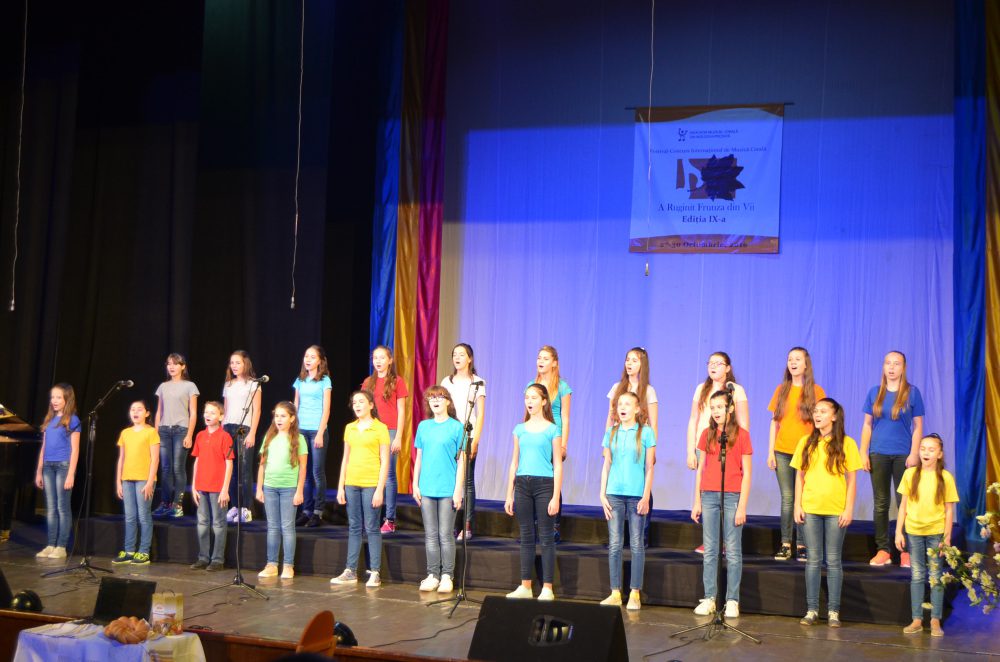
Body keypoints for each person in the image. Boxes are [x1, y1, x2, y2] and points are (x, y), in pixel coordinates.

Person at [793, 398, 861, 628]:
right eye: (816, 411)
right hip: (811, 508)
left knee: (833, 561)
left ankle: (833, 611)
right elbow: (799, 476)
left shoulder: (847, 443)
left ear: (834, 416)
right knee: (813, 560)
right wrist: (797, 505)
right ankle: (812, 609)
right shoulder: (806, 442)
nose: (817, 415)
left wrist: (849, 508)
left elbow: (852, 480)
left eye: (823, 411)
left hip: (835, 510)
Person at [691, 391, 752, 619]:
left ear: (730, 409)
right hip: (709, 495)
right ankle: (710, 597)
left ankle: (732, 600)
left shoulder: (742, 435)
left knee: (733, 550)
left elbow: (747, 473)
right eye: (713, 407)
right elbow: (701, 470)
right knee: (710, 549)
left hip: (732, 495)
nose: (716, 411)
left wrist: (742, 506)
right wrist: (697, 500)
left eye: (720, 407)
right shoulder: (707, 434)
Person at [862, 351, 925, 567]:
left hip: (903, 455)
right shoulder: (874, 392)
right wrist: (863, 452)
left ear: (903, 368)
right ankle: (883, 550)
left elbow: (918, 427)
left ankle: (905, 551)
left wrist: (914, 453)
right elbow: (867, 425)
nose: (891, 367)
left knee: (903, 502)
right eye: (888, 363)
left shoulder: (912, 393)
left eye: (896, 363)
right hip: (878, 453)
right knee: (881, 502)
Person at [895, 434, 958, 637]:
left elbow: (949, 510)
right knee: (917, 575)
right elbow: (903, 506)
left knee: (935, 576)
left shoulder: (945, 477)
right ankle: (916, 619)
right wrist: (898, 531)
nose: (926, 452)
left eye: (931, 449)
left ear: (939, 454)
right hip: (914, 531)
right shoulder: (910, 474)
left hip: (935, 532)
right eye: (923, 448)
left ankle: (935, 620)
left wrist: (946, 537)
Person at [504, 383, 563, 600]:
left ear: (544, 401)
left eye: (534, 397)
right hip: (522, 484)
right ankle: (525, 586)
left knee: (546, 537)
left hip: (544, 485)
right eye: (527, 397)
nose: (529, 401)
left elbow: (558, 465)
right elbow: (514, 462)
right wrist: (509, 494)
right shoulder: (519, 429)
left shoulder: (552, 429)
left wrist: (555, 496)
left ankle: (547, 587)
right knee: (526, 536)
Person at [686, 351, 749, 553]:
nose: (713, 366)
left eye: (718, 363)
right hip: (706, 444)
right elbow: (693, 420)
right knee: (708, 491)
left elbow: (743, 423)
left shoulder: (736, 390)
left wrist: (738, 447)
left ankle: (726, 542)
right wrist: (690, 450)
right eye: (710, 363)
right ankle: (711, 541)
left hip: (728, 446)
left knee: (727, 495)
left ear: (728, 368)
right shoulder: (701, 389)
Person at [599, 391, 655, 610]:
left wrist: (646, 495)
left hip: (636, 495)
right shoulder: (611, 432)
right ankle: (615, 592)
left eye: (627, 404)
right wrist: (602, 493)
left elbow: (649, 467)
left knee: (636, 543)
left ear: (637, 409)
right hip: (614, 493)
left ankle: (634, 592)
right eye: (620, 404)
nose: (622, 407)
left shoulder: (646, 432)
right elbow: (606, 465)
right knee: (614, 543)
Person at [767, 347, 825, 561]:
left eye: (797, 359)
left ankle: (802, 544)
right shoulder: (781, 390)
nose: (793, 362)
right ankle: (785, 543)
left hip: (807, 453)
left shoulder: (816, 391)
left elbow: (822, 422)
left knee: (804, 498)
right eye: (790, 359)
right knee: (788, 498)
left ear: (806, 364)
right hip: (782, 451)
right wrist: (770, 452)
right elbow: (774, 422)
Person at [330, 391, 391, 587]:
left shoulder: (380, 428)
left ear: (371, 405)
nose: (357, 405)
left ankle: (375, 572)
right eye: (354, 402)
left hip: (371, 483)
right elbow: (345, 459)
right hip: (352, 483)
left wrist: (380, 489)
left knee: (372, 527)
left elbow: (385, 461)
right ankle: (350, 570)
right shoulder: (350, 428)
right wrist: (340, 487)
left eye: (361, 401)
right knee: (354, 526)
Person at [413, 386, 465, 593]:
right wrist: (415, 484)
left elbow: (461, 461)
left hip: (447, 488)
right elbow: (419, 458)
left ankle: (447, 576)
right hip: (427, 487)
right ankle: (433, 574)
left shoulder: (456, 427)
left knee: (445, 534)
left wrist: (458, 490)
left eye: (439, 397)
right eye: (431, 397)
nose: (435, 400)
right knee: (430, 534)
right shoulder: (424, 426)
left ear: (448, 402)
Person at [255, 402, 307, 580]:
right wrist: (259, 487)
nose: (279, 419)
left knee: (287, 527)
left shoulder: (299, 439)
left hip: (288, 488)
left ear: (292, 418)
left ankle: (288, 565)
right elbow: (262, 465)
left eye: (283, 416)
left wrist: (299, 491)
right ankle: (271, 564)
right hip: (270, 487)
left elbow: (303, 468)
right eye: (276, 416)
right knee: (272, 526)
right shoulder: (269, 437)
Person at [361, 346, 409, 533]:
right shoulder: (368, 382)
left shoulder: (397, 381)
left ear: (390, 360)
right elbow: (363, 408)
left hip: (390, 431)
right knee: (372, 474)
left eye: (382, 358)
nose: (378, 361)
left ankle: (390, 519)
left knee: (388, 475)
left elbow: (402, 411)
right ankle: (372, 517)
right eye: (375, 358)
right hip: (372, 431)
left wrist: (398, 437)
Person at [441, 343, 485, 541]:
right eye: (454, 354)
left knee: (467, 481)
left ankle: (467, 525)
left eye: (461, 354)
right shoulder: (447, 381)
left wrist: (475, 440)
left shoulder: (477, 382)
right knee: (450, 479)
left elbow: (480, 414)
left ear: (470, 358)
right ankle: (451, 524)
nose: (457, 358)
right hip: (449, 434)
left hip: (468, 434)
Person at [34, 384, 81, 559]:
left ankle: (61, 546)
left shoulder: (72, 420)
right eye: (52, 397)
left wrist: (70, 474)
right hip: (48, 466)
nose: (54, 400)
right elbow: (44, 447)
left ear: (67, 399)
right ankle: (50, 544)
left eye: (58, 397)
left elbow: (75, 450)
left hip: (63, 466)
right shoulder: (49, 420)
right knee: (51, 508)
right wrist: (39, 471)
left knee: (62, 507)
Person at [530, 346, 571, 541]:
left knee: (553, 480)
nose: (541, 361)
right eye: (539, 358)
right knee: (533, 478)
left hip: (553, 437)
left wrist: (564, 444)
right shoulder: (532, 386)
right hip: (535, 436)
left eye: (545, 358)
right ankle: (534, 525)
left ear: (554, 363)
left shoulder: (562, 387)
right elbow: (527, 413)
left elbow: (565, 417)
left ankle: (554, 525)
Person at [113, 400, 160, 566]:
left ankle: (144, 551)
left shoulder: (151, 432)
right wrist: (119, 482)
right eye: (133, 409)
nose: (135, 412)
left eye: (139, 409)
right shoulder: (125, 433)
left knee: (143, 515)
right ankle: (129, 550)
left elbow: (155, 459)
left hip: (144, 480)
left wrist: (150, 482)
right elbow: (121, 458)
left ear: (147, 413)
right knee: (130, 516)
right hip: (127, 479)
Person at [154, 353, 200, 518]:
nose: (171, 367)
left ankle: (177, 505)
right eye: (169, 364)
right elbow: (159, 411)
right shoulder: (163, 386)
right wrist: (155, 433)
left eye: (175, 364)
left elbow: (193, 413)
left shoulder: (190, 386)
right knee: (166, 468)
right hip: (164, 430)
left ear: (183, 366)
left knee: (177, 468)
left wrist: (189, 435)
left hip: (181, 429)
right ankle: (165, 503)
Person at [190, 401, 234, 571]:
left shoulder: (225, 436)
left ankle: (217, 559)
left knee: (218, 523)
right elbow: (197, 460)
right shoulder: (200, 435)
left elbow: (229, 463)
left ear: (221, 417)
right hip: (202, 485)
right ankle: (203, 557)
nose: (208, 415)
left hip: (217, 487)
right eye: (206, 412)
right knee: (202, 522)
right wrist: (194, 485)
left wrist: (225, 489)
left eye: (212, 413)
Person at [292, 345, 332, 528]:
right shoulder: (300, 380)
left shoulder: (324, 381)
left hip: (317, 430)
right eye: (306, 356)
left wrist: (321, 432)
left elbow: (326, 408)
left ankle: (318, 512)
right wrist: (293, 429)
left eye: (312, 357)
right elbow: (295, 405)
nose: (308, 359)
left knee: (317, 472)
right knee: (304, 472)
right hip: (301, 429)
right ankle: (306, 511)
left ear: (320, 361)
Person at [223, 350, 261, 524]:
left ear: (245, 364)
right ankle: (234, 506)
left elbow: (257, 410)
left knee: (244, 470)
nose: (234, 366)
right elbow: (225, 409)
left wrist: (252, 432)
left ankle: (246, 508)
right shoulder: (228, 384)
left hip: (244, 428)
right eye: (232, 363)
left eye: (238, 362)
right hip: (228, 427)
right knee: (230, 470)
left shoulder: (254, 384)